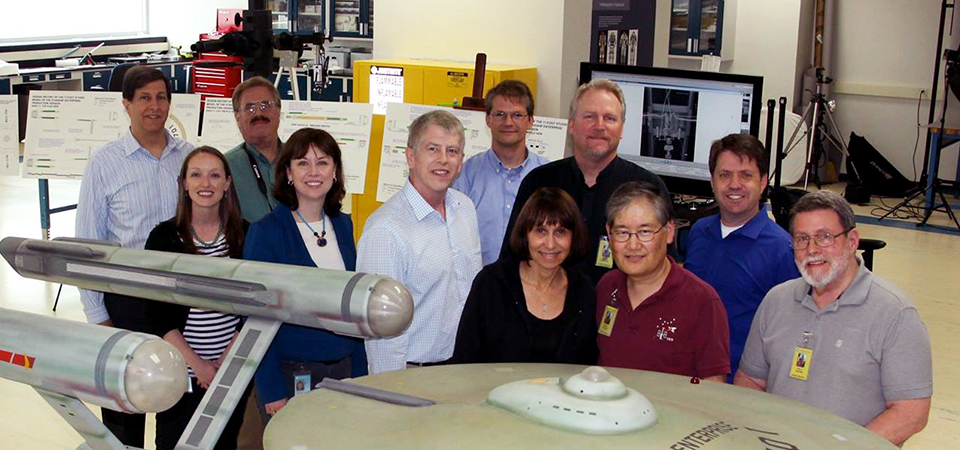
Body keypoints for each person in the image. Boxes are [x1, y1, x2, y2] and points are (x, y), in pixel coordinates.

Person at [735, 190, 932, 446]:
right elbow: (750, 380)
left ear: (852, 241)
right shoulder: (776, 300)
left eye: (825, 237)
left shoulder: (895, 314)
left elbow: (911, 413)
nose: (812, 249)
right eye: (802, 239)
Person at [75, 65, 193, 447]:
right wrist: (98, 316)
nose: (154, 106)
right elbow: (89, 244)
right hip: (127, 298)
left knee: (176, 399)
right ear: (126, 105)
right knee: (126, 410)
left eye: (161, 97)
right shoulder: (105, 163)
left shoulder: (189, 158)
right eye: (144, 98)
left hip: (181, 299)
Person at [244, 128, 368, 415]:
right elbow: (255, 316)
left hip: (344, 373)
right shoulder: (266, 232)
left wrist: (361, 374)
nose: (314, 171)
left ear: (335, 171)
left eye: (322, 162)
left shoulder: (344, 226)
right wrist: (271, 389)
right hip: (291, 377)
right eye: (303, 163)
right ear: (288, 172)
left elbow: (354, 307)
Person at [502, 78, 670, 285]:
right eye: (589, 117)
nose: (599, 126)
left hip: (620, 310)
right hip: (545, 308)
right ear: (571, 125)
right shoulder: (539, 183)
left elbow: (663, 270)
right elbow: (513, 257)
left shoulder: (648, 189)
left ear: (622, 129)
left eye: (609, 118)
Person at [357, 110, 483, 373]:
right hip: (414, 374)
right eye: (433, 149)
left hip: (464, 368)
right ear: (411, 157)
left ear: (461, 162)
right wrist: (391, 392)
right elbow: (381, 330)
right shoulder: (386, 229)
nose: (443, 160)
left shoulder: (465, 209)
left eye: (452, 151)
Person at [144, 146, 248, 450]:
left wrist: (224, 362)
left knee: (224, 443)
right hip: (179, 373)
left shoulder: (245, 236)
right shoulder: (163, 238)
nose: (206, 184)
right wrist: (199, 366)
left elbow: (254, 309)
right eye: (196, 175)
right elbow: (156, 313)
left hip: (231, 369)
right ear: (184, 184)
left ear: (227, 183)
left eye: (215, 175)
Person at [683, 134, 798, 381]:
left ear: (763, 182)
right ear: (712, 181)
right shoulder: (699, 232)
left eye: (746, 175)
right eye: (725, 175)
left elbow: (792, 331)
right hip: (686, 374)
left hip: (743, 384)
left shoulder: (782, 249)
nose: (735, 184)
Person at [595, 182, 729, 381]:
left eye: (645, 232)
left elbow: (714, 388)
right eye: (622, 232)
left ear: (669, 231)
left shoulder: (702, 301)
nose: (633, 245)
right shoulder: (606, 288)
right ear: (609, 233)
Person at [451, 187, 597, 364]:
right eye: (541, 231)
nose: (550, 244)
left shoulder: (583, 289)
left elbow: (587, 366)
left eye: (560, 232)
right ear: (525, 234)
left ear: (573, 237)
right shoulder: (491, 283)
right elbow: (464, 360)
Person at [453, 80, 547, 266]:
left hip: (534, 284)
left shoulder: (546, 175)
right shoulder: (466, 174)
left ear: (530, 121)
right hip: (480, 285)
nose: (508, 122)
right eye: (500, 114)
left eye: (517, 115)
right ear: (488, 119)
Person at [225, 76, 284, 223]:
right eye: (249, 108)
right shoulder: (224, 168)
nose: (258, 114)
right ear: (237, 118)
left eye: (265, 105)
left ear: (278, 111)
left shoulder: (301, 160)